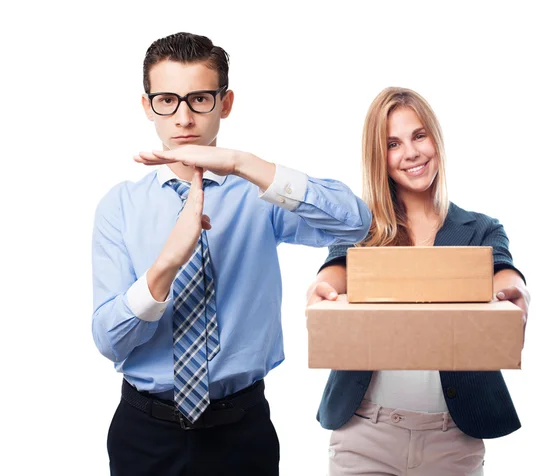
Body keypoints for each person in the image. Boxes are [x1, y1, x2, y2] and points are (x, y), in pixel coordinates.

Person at [92, 32, 371, 476]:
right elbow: (110, 341)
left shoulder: (260, 195)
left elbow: (356, 222)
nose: (183, 117)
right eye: (167, 100)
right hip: (144, 435)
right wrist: (166, 265)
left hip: (241, 433)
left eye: (200, 98)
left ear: (225, 103)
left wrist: (243, 163)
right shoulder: (120, 206)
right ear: (148, 107)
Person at [306, 87, 530, 476]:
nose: (410, 152)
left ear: (436, 140)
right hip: (365, 434)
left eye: (419, 136)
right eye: (393, 143)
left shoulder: (479, 228)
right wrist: (323, 284)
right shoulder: (363, 226)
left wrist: (516, 289)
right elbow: (341, 263)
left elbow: (501, 267)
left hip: (453, 440)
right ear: (380, 156)